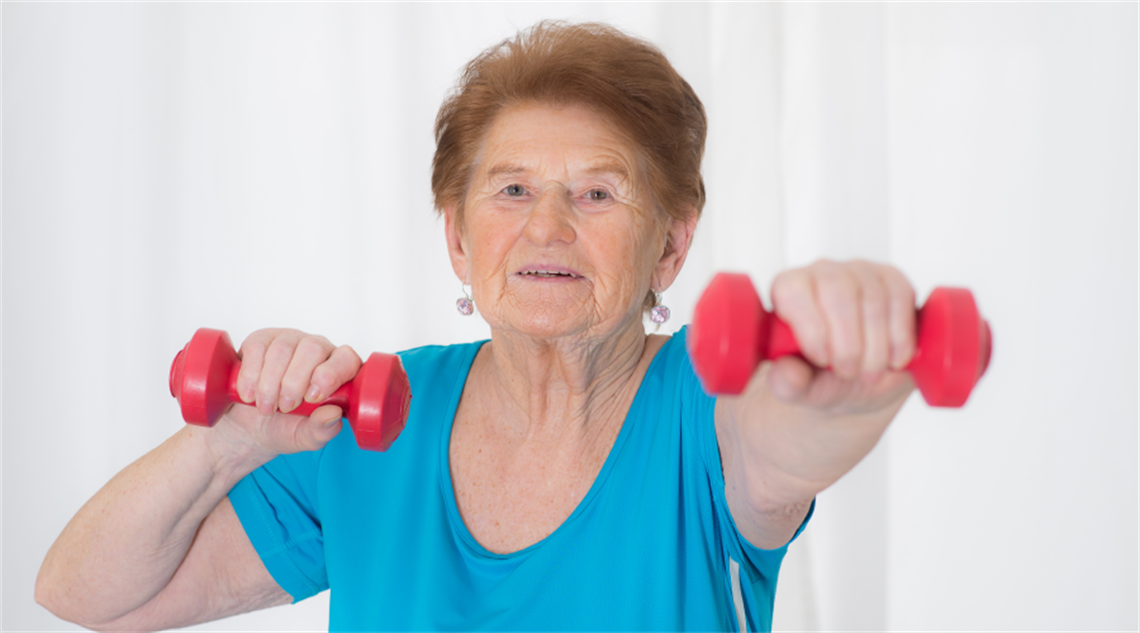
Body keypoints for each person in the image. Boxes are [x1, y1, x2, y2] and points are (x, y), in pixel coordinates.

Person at [36, 21, 918, 632]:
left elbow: (793, 437)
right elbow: (86, 594)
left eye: (597, 193)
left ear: (671, 246)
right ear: (458, 239)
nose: (546, 228)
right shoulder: (369, 422)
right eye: (511, 190)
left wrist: (850, 372)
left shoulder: (706, 408)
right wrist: (225, 444)